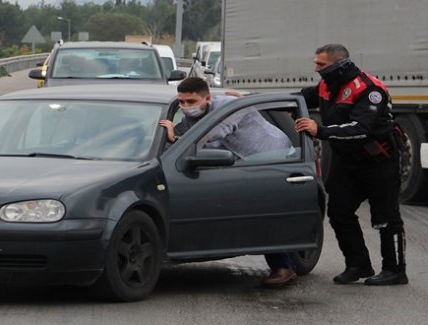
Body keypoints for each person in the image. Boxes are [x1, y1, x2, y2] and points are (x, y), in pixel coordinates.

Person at [160, 77, 297, 287]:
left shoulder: (227, 108)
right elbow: (186, 132)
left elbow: (207, 140)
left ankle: (283, 267)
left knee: (260, 211)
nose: (186, 107)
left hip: (271, 157)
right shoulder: (196, 114)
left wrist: (173, 138)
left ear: (207, 98)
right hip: (244, 161)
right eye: (181, 102)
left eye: (191, 101)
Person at [295, 44, 408, 285]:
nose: (315, 69)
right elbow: (299, 98)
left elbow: (361, 129)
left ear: (339, 65)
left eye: (320, 65)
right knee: (338, 212)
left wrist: (320, 130)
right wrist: (249, 100)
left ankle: (395, 270)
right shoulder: (326, 85)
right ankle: (358, 265)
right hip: (347, 162)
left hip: (379, 161)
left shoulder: (369, 89)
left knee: (385, 218)